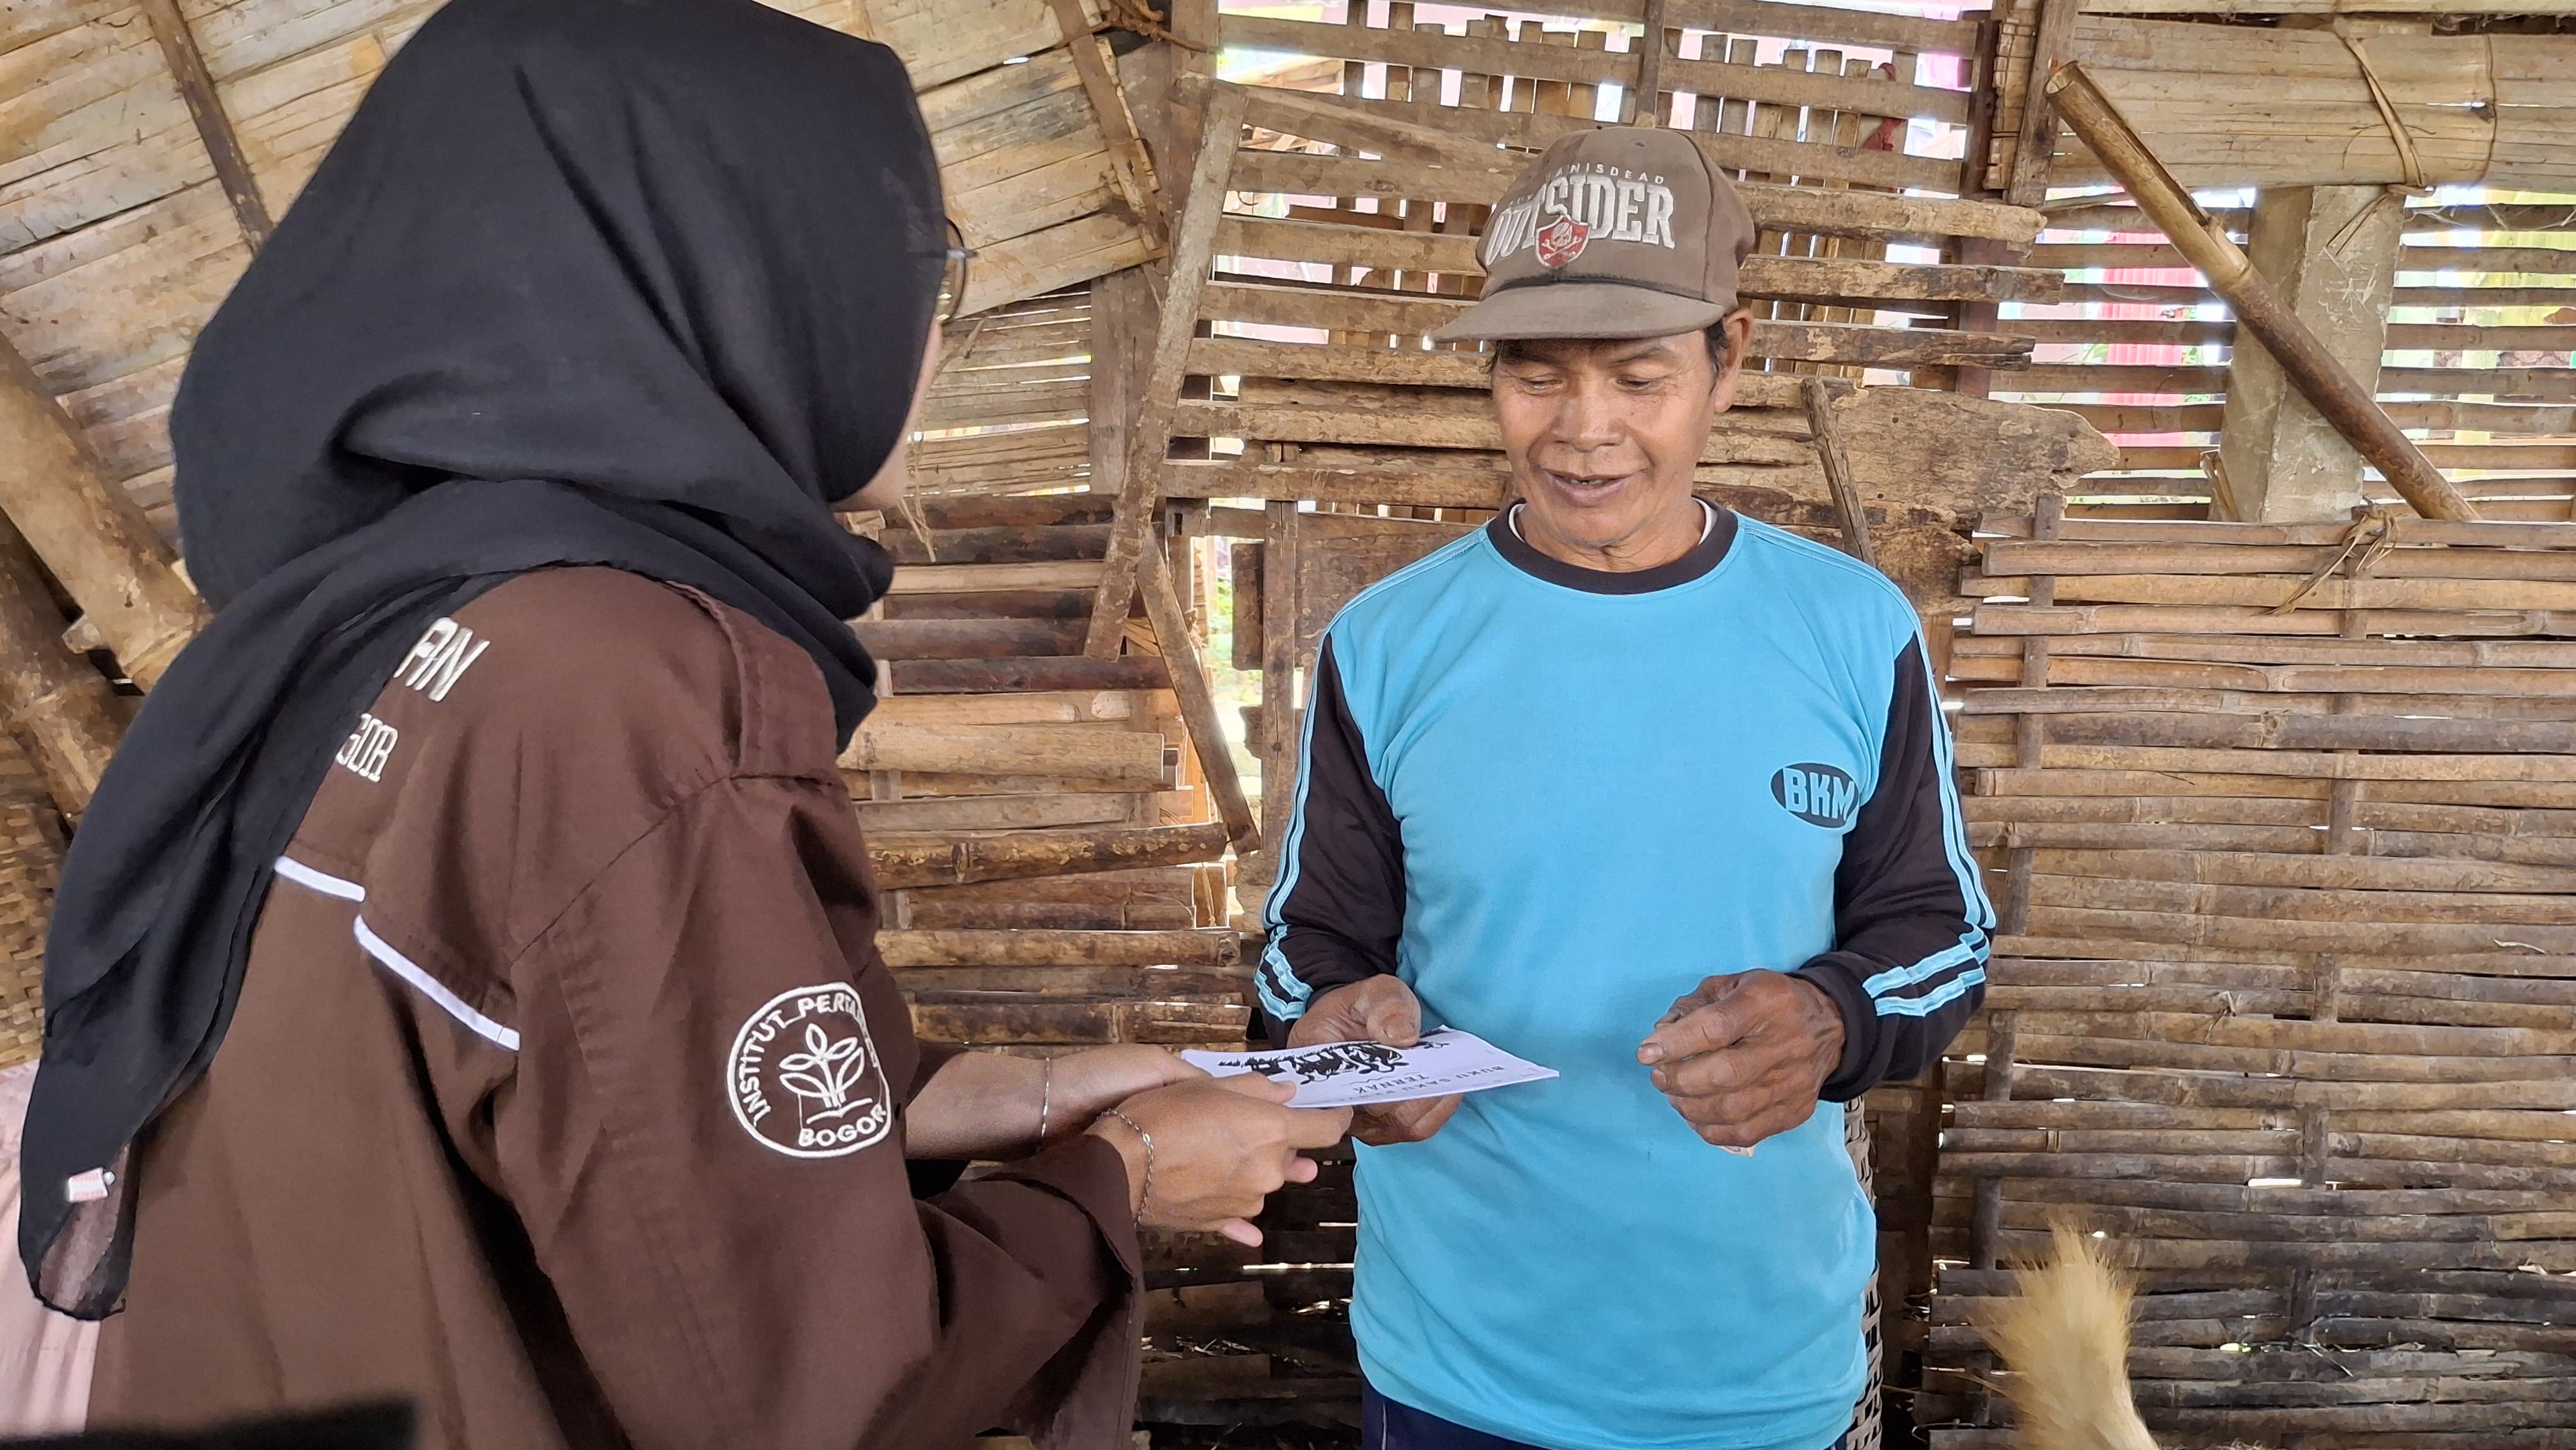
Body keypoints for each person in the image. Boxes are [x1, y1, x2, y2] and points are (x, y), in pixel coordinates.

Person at [14, 1, 1349, 1445]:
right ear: (749, 280)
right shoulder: (630, 686)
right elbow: (810, 1388)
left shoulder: (387, 609)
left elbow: (590, 1099)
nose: (929, 330)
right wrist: (1127, 1177)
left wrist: (1004, 1093)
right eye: (914, 263)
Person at [1258, 128, 1992, 1450]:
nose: (1584, 431)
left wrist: (1825, 1019)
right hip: (1455, 1368)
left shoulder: (1851, 625)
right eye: (1536, 377)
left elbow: (1940, 938)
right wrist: (1341, 1025)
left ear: (1731, 359)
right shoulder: (1386, 642)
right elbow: (1301, 951)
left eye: (1640, 376)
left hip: (1760, 1372)